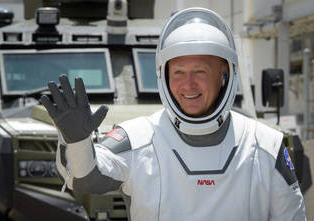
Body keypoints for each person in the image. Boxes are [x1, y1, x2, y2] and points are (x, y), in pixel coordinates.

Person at [40, 7, 306, 221]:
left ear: (225, 74)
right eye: (178, 72)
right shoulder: (137, 139)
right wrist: (75, 142)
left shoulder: (266, 145)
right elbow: (83, 179)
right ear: (163, 76)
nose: (188, 84)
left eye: (200, 71)